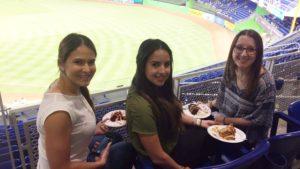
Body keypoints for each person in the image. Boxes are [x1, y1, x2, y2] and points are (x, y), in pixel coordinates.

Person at [36, 33, 135, 169]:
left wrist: (91, 129)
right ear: (61, 64)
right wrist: (98, 164)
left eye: (91, 62)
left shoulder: (72, 89)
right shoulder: (59, 113)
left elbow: (71, 130)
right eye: (78, 62)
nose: (87, 69)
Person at [126, 39, 218, 169]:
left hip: (173, 138)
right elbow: (158, 157)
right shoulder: (140, 106)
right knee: (210, 135)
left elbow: (172, 113)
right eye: (155, 64)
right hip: (167, 156)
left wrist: (199, 122)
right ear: (142, 65)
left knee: (209, 121)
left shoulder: (156, 86)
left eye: (166, 64)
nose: (163, 71)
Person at [208, 29, 276, 146]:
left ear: (258, 53)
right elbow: (221, 99)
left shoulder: (265, 83)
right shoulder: (230, 69)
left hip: (247, 139)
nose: (244, 54)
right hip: (223, 124)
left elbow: (258, 121)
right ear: (233, 49)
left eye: (250, 49)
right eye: (239, 47)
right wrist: (207, 105)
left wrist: (225, 120)